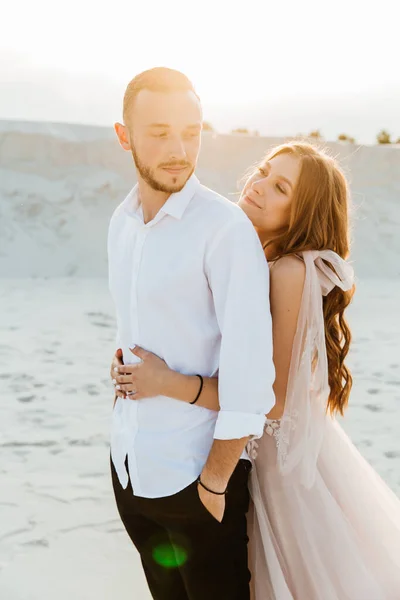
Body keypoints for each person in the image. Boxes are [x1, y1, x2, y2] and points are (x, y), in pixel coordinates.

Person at [113, 141, 400, 599]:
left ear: (303, 214)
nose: (259, 186)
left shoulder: (289, 271)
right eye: (264, 172)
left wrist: (168, 384)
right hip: (246, 448)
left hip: (278, 471)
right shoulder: (257, 256)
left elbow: (276, 399)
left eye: (280, 187)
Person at [107, 67, 275, 600]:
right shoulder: (122, 222)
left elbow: (251, 378)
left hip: (198, 479)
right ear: (124, 136)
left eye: (192, 130)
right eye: (159, 133)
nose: (179, 148)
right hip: (132, 470)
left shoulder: (223, 230)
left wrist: (213, 482)